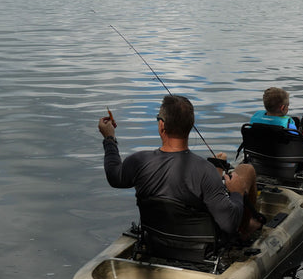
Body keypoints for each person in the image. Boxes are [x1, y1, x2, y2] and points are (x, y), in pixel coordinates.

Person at [98, 95, 262, 243]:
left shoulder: (138, 161)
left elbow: (114, 176)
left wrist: (109, 138)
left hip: (156, 241)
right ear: (190, 126)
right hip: (200, 247)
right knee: (246, 170)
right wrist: (237, 193)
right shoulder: (205, 170)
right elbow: (229, 223)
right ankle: (246, 230)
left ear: (161, 125)